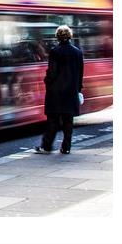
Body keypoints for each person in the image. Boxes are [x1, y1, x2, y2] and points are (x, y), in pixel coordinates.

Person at [35, 25, 84, 155]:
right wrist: (78, 89)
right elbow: (80, 73)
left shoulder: (55, 51)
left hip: (56, 92)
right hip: (71, 91)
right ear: (70, 36)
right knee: (68, 121)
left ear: (57, 36)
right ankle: (66, 147)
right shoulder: (77, 52)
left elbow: (52, 72)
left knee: (53, 120)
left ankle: (47, 146)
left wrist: (47, 81)